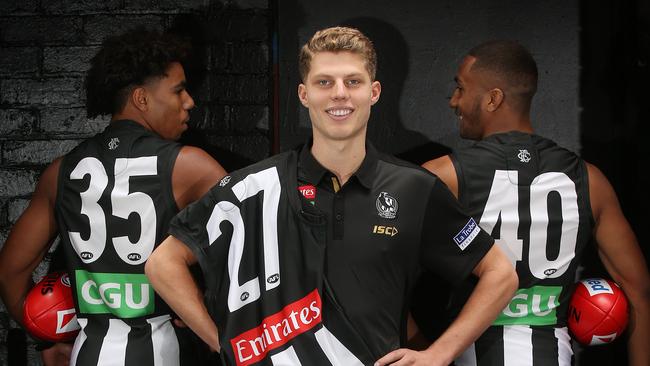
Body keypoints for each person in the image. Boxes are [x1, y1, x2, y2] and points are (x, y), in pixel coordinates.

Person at [145, 26, 517, 366]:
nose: (339, 93)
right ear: (304, 95)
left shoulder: (414, 187)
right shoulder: (255, 185)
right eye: (325, 82)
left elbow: (500, 274)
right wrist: (223, 342)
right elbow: (163, 263)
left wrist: (440, 353)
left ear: (374, 92)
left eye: (352, 81)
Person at [0, 28, 227, 366]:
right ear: (142, 99)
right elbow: (258, 253)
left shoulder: (61, 172)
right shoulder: (190, 166)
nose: (189, 101)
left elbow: (10, 273)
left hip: (88, 352)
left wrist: (48, 335)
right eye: (179, 91)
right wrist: (209, 310)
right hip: (160, 352)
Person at [422, 40, 650, 366]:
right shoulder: (590, 180)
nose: (454, 101)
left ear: (493, 99)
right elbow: (638, 290)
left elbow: (380, 275)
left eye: (460, 88)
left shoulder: (444, 175)